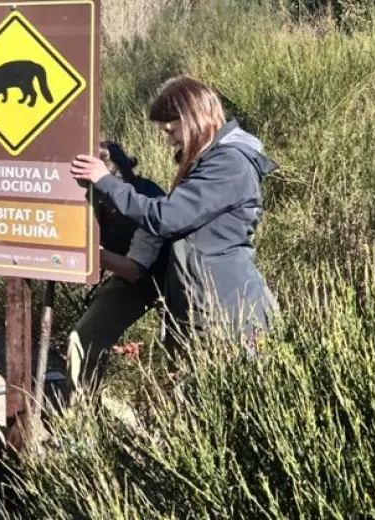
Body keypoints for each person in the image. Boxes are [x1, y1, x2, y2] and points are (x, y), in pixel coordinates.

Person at [70, 75, 279, 361]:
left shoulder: (229, 163)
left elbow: (166, 217)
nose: (170, 140)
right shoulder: (209, 163)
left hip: (227, 311)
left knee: (227, 384)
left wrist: (105, 181)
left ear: (192, 117)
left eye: (171, 130)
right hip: (203, 303)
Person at [64, 141, 170, 400]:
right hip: (131, 283)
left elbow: (134, 269)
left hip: (173, 282)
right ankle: (83, 415)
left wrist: (90, 252)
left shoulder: (149, 201)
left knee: (177, 355)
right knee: (81, 340)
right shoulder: (89, 198)